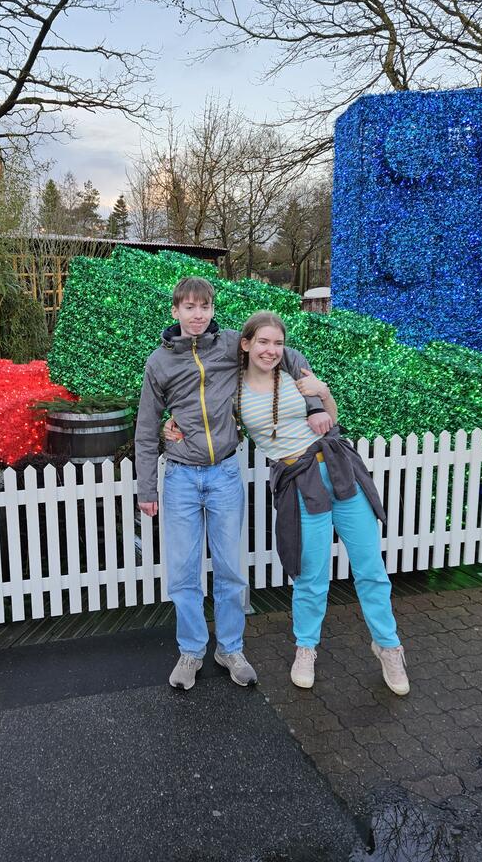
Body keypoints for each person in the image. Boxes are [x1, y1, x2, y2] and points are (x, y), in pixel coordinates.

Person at [168, 310, 409, 694]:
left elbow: (331, 421)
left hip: (340, 470)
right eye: (263, 342)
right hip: (300, 482)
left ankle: (388, 646)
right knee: (311, 575)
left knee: (370, 569)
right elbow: (204, 413)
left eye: (278, 343)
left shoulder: (295, 375)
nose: (271, 350)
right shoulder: (234, 391)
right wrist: (175, 424)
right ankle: (306, 648)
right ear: (246, 344)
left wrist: (324, 393)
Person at [134, 278, 332, 691]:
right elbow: (148, 427)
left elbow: (287, 355)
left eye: (204, 306)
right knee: (183, 574)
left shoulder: (229, 344)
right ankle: (191, 651)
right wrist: (147, 489)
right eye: (189, 307)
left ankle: (230, 649)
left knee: (230, 570)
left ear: (212, 309)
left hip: (224, 473)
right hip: (181, 477)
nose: (197, 314)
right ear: (175, 311)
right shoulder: (159, 362)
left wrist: (315, 403)